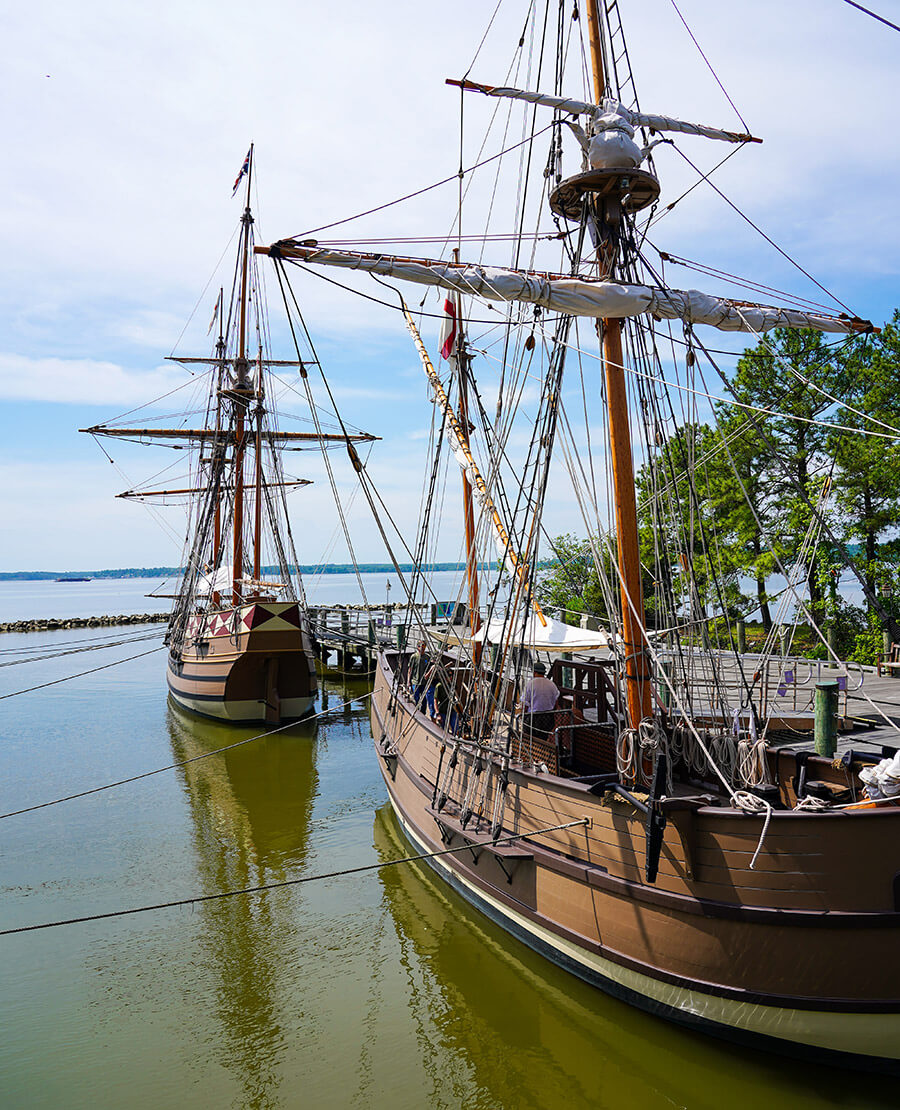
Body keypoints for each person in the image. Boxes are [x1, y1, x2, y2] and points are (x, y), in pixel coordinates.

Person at [521, 660, 559, 740]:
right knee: (544, 737)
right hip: (548, 716)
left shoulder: (530, 684)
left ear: (534, 672)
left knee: (531, 738)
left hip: (534, 717)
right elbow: (556, 701)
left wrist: (523, 716)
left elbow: (525, 703)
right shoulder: (551, 684)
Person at [409, 640, 436, 718]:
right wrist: (409, 682)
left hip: (424, 682)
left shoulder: (427, 657)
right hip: (415, 681)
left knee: (424, 700)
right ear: (418, 647)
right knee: (416, 698)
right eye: (421, 646)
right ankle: (417, 713)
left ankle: (423, 713)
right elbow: (410, 670)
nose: (423, 648)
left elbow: (429, 667)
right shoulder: (414, 657)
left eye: (424, 647)